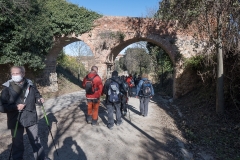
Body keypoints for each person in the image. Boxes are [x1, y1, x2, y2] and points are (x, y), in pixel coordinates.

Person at [1, 66, 50, 160]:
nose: (15, 75)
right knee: (17, 143)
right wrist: (15, 107)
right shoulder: (7, 88)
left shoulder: (30, 84)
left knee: (36, 141)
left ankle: (41, 158)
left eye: (17, 73)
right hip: (16, 119)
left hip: (31, 116)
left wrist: (39, 99)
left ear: (23, 74)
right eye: (13, 74)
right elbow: (2, 107)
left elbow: (37, 96)